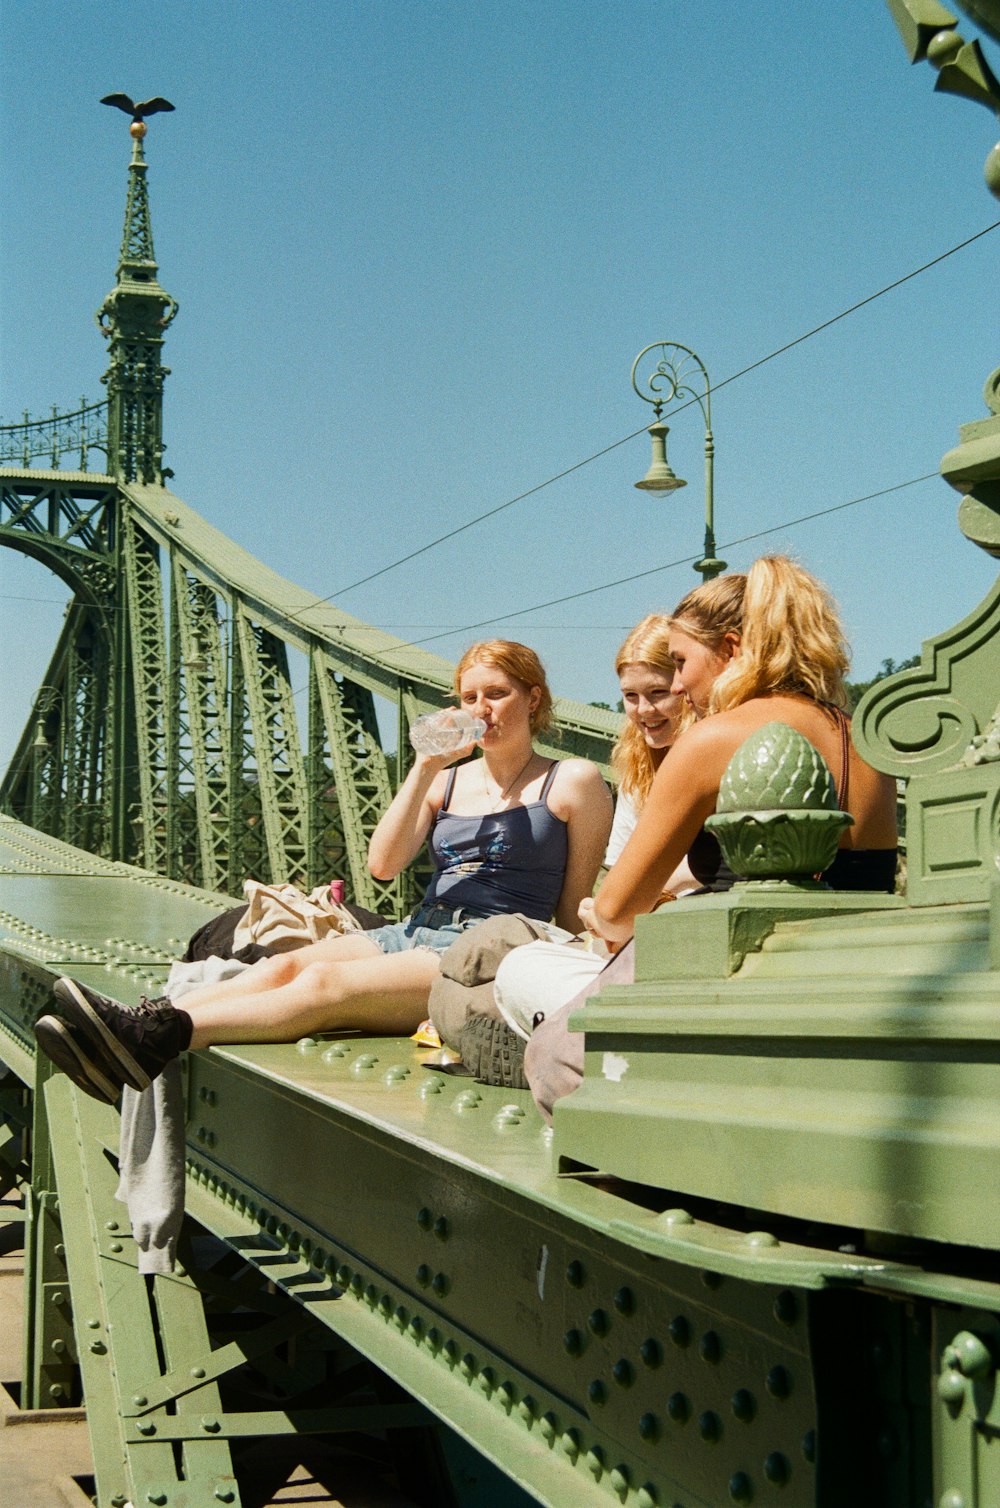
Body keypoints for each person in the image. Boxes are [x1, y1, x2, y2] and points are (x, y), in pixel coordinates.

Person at [34, 640, 612, 1104]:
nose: (481, 709)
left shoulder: (575, 780)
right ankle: (141, 1028)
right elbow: (383, 866)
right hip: (416, 929)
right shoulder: (446, 780)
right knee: (283, 966)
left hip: (483, 954)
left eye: (498, 693)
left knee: (321, 987)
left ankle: (157, 1038)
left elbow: (569, 907)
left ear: (533, 699)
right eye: (469, 697)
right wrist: (423, 765)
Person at [525, 556, 899, 1118]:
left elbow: (617, 910)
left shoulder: (715, 739)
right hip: (848, 983)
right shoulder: (866, 743)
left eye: (680, 663)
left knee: (550, 1056)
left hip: (743, 975)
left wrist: (608, 916)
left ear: (729, 650)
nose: (676, 684)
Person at [491, 614, 696, 1038]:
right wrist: (603, 910)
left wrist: (637, 897)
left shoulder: (716, 751)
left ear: (685, 685)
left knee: (510, 981)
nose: (644, 711)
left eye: (658, 693)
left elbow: (710, 868)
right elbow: (622, 871)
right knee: (514, 966)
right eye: (631, 696)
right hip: (638, 936)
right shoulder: (638, 768)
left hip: (691, 941)